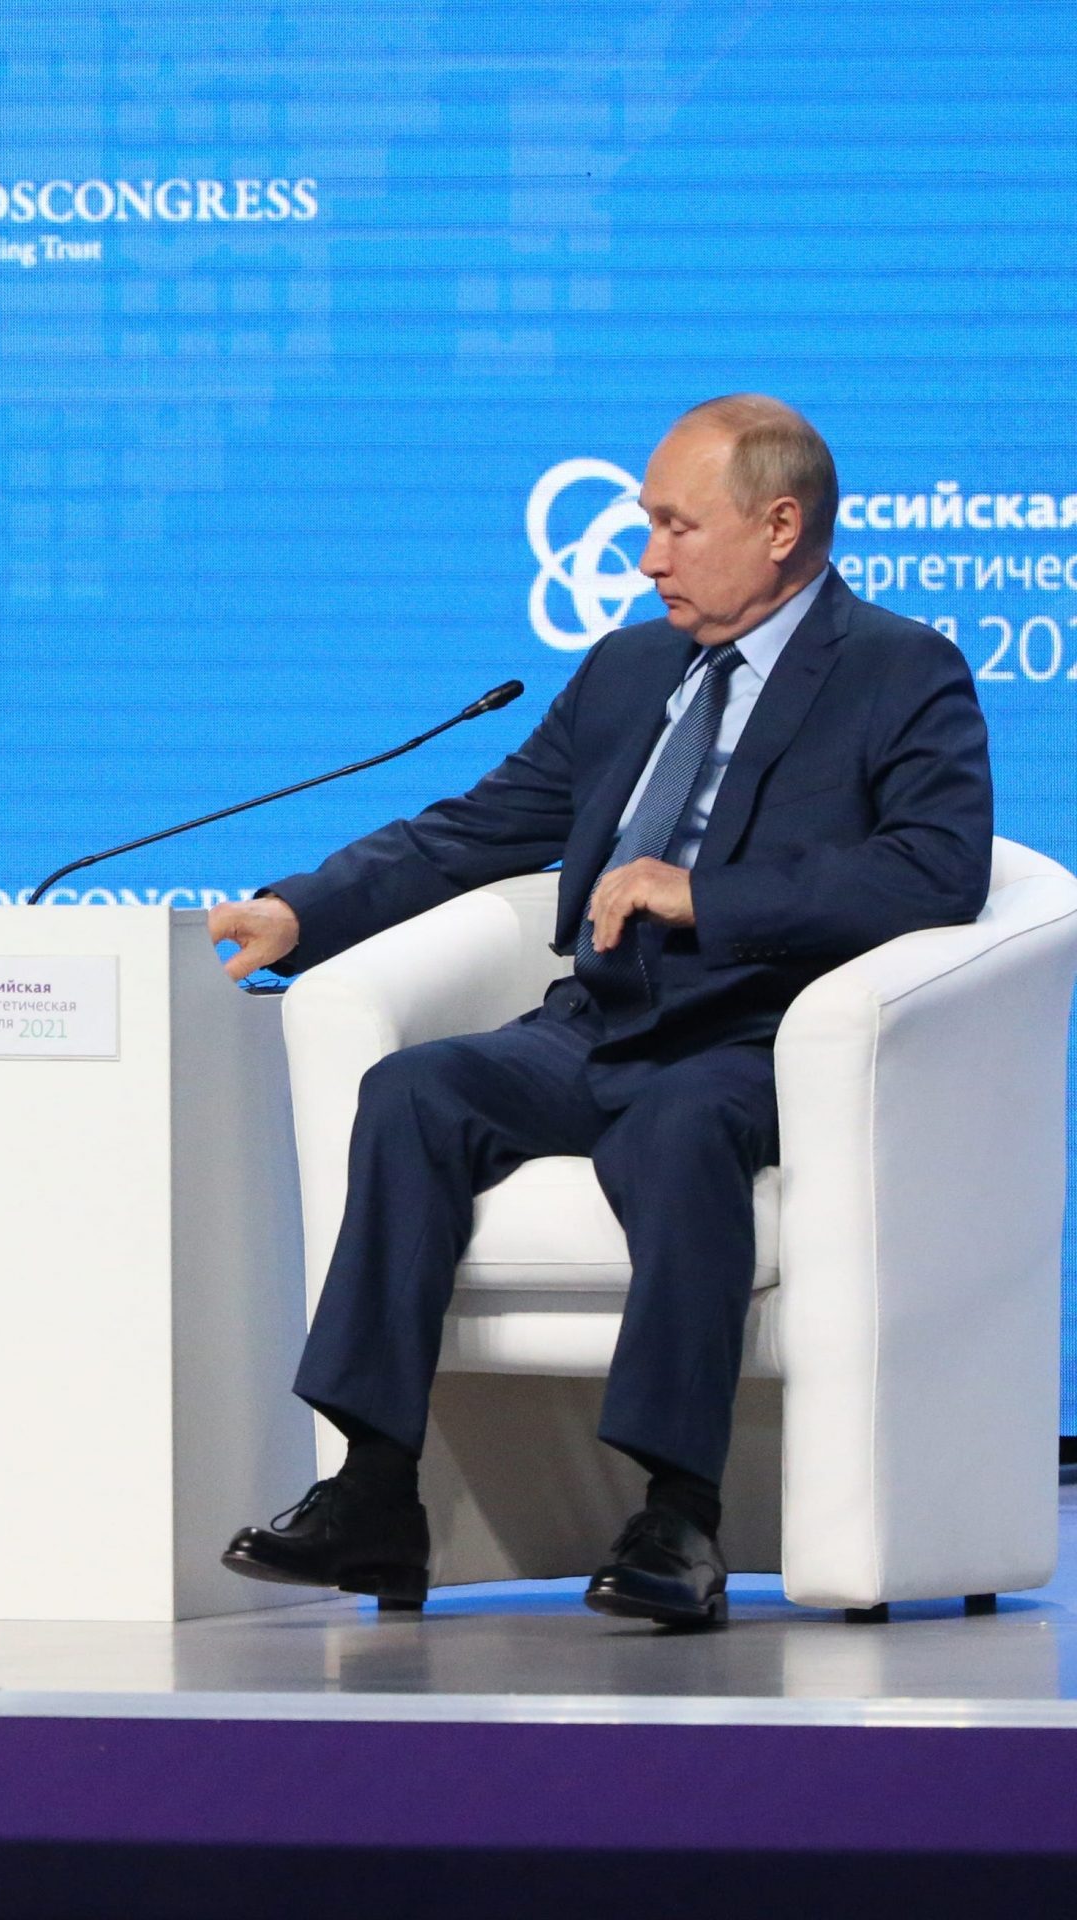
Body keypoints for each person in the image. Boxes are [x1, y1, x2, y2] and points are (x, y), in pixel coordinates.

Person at [209, 395, 991, 1628]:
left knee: (681, 1130)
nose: (647, 558)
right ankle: (373, 1491)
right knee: (413, 1088)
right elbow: (478, 827)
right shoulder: (630, 669)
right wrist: (302, 913)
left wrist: (709, 898)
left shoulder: (899, 670)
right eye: (644, 527)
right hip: (592, 1021)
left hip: (752, 1034)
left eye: (678, 527)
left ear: (780, 526)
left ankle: (677, 1517)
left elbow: (935, 869)